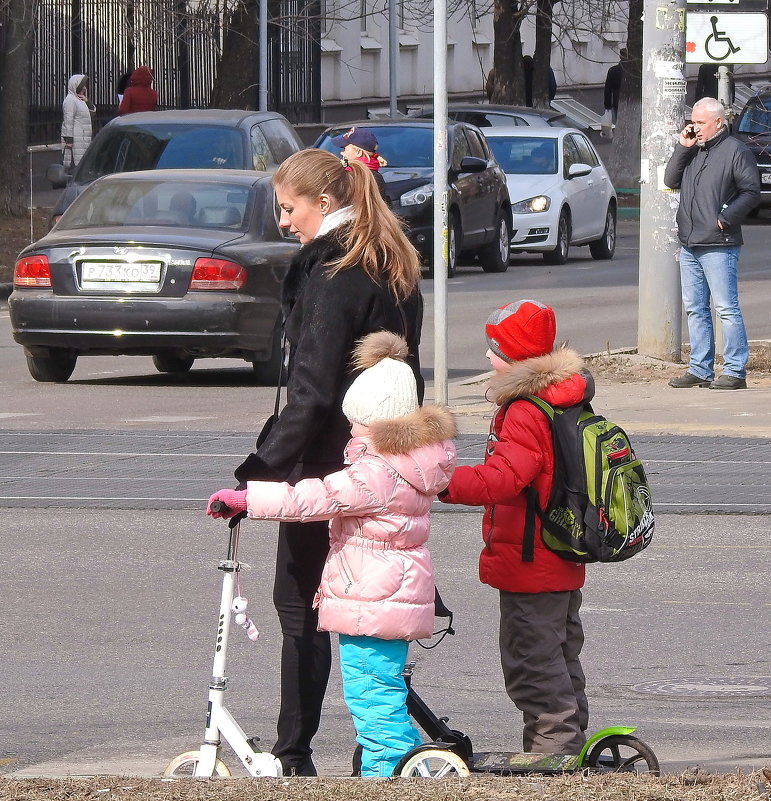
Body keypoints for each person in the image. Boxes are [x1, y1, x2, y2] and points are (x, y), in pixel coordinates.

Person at [231, 148, 424, 776]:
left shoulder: (334, 273)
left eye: (290, 209)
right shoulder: (386, 260)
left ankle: (294, 753)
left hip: (327, 463)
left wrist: (258, 473)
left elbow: (312, 391)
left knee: (303, 609)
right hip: (381, 457)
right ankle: (378, 744)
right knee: (368, 608)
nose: (284, 222)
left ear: (326, 201)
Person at [207, 332, 456, 777]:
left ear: (377, 423)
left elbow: (315, 498)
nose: (351, 431)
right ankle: (400, 762)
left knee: (370, 692)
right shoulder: (410, 464)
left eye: (356, 423)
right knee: (379, 687)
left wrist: (248, 499)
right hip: (387, 594)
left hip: (372, 600)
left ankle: (389, 770)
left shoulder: (376, 473)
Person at [438, 299, 589, 755]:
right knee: (560, 658)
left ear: (516, 356)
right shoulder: (564, 397)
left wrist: (439, 479)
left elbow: (503, 479)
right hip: (560, 552)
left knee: (531, 664)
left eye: (495, 348)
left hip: (531, 560)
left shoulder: (525, 410)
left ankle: (553, 753)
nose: (487, 357)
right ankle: (570, 746)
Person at [664, 97, 760, 390]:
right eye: (692, 122)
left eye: (701, 123)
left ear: (718, 122)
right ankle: (700, 368)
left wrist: (726, 218)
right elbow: (670, 178)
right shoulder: (693, 149)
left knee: (726, 308)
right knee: (695, 308)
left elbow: (751, 192)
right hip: (691, 242)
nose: (695, 128)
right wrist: (683, 147)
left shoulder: (735, 151)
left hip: (719, 242)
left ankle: (734, 371)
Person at [330, 126, 389, 203]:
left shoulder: (362, 177)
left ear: (359, 152)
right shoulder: (369, 174)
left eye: (344, 149)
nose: (341, 153)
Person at [61, 74, 95, 169]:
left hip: (83, 139)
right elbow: (68, 120)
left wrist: (87, 102)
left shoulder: (79, 100)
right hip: (76, 141)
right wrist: (69, 140)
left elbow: (91, 114)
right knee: (75, 166)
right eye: (82, 86)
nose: (84, 88)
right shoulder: (70, 100)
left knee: (82, 165)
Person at [603, 47, 627, 124]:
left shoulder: (613, 71)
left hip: (618, 103)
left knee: (619, 124)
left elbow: (607, 90)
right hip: (633, 103)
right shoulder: (634, 72)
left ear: (620, 56)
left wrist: (608, 107)